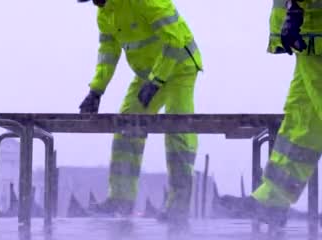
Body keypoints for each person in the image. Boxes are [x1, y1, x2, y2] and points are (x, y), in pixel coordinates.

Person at [78, 0, 202, 226]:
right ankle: (121, 199)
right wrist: (96, 91)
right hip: (148, 75)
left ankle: (178, 206)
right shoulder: (105, 14)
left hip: (179, 68)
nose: (94, 3)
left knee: (178, 132)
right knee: (126, 127)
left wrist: (157, 81)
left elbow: (174, 40)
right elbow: (108, 53)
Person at [220, 0, 320, 227]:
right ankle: (273, 201)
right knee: (301, 125)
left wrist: (295, 9)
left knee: (304, 122)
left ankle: (273, 202)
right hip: (309, 38)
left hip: (314, 34)